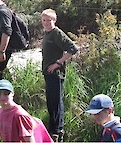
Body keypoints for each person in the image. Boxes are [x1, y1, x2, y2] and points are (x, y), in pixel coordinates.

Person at [41, 8, 79, 142]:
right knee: (51, 101)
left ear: (54, 20)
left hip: (56, 74)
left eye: (49, 20)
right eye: (44, 20)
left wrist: (58, 63)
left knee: (56, 101)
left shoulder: (57, 33)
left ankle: (57, 131)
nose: (46, 23)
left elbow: (73, 49)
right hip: (47, 73)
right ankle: (52, 129)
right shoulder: (47, 33)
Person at [0, 79, 53, 143]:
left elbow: (30, 140)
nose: (2, 97)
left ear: (12, 94)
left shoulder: (20, 114)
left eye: (6, 93)